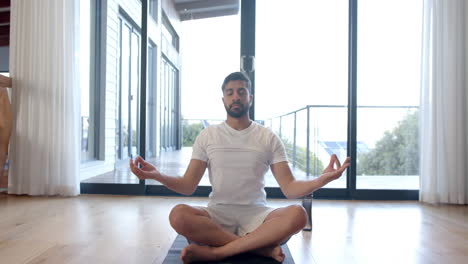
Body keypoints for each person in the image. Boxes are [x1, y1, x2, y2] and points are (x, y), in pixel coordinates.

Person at [130, 72, 350, 263]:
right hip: (217, 214)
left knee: (299, 215)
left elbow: (290, 188)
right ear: (223, 99)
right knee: (178, 215)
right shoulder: (208, 135)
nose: (236, 96)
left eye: (241, 92)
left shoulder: (268, 137)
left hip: (258, 216)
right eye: (230, 92)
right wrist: (157, 175)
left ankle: (217, 253)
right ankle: (260, 249)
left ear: (250, 98)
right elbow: (188, 186)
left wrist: (324, 179)